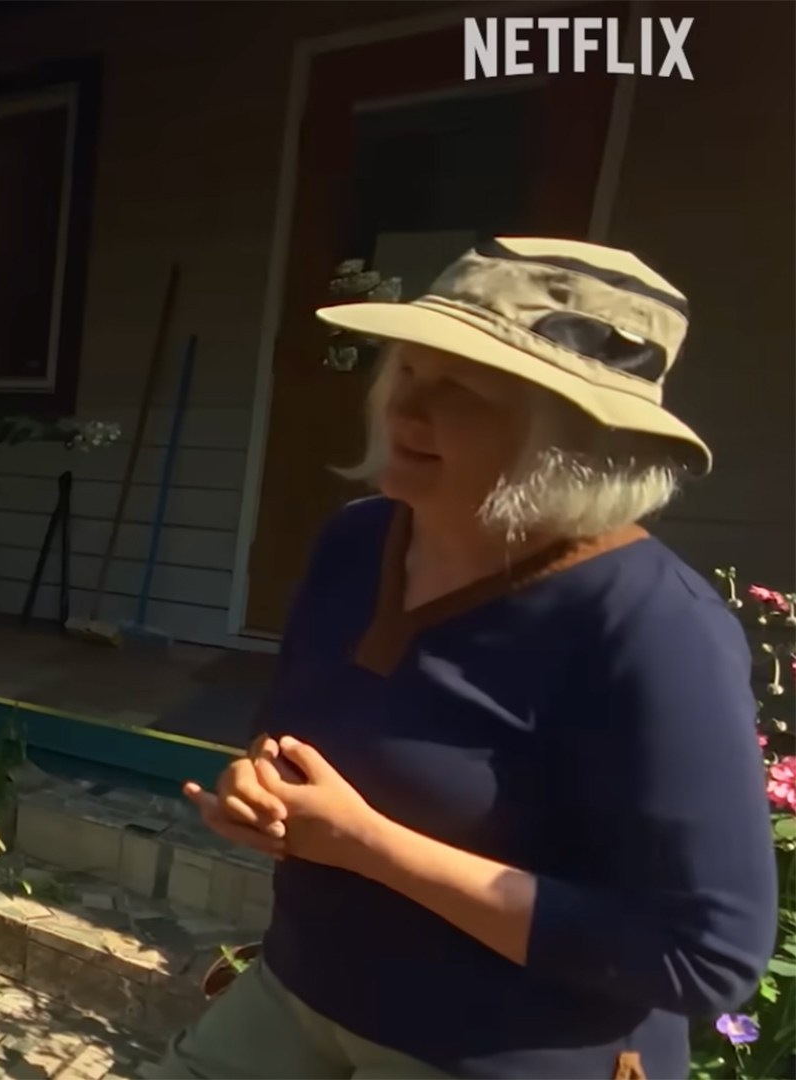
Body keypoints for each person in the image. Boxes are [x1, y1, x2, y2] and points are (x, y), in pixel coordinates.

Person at [156, 237, 780, 1079]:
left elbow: (704, 956)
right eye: (408, 371)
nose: (406, 411)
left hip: (498, 1051)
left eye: (461, 391)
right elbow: (303, 745)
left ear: (576, 439)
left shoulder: (654, 627)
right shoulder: (358, 540)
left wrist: (372, 846)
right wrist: (263, 796)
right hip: (304, 989)